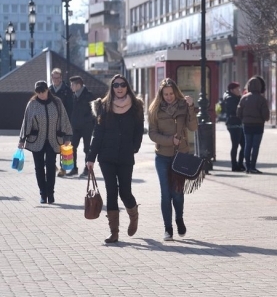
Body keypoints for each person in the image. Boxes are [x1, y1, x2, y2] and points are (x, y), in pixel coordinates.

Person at [86, 75, 144, 244]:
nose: (119, 88)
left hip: (125, 156)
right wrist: (91, 158)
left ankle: (133, 215)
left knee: (125, 192)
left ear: (127, 87)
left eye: (122, 85)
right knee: (111, 192)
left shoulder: (136, 107)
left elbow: (139, 130)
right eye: (116, 85)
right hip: (106, 157)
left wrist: (135, 147)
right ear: (112, 88)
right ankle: (114, 232)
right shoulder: (104, 106)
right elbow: (98, 133)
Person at [147, 78, 198, 241]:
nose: (169, 97)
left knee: (177, 192)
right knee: (165, 193)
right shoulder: (154, 109)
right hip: (162, 156)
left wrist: (191, 108)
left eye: (171, 93)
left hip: (180, 155)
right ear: (161, 94)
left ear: (176, 92)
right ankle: (168, 228)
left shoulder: (184, 106)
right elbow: (152, 134)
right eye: (165, 94)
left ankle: (179, 219)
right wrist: (170, 140)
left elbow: (193, 127)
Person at [18, 81, 72, 204]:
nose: (41, 94)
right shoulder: (32, 104)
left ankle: (50, 193)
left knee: (51, 166)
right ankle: (43, 193)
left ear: (47, 89)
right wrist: (22, 139)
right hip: (36, 140)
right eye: (38, 92)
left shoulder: (57, 102)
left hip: (53, 140)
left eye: (43, 91)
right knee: (39, 167)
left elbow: (64, 118)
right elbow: (26, 121)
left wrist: (67, 136)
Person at [236, 76, 270, 174]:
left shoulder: (244, 98)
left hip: (247, 125)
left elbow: (238, 112)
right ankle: (253, 166)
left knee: (247, 145)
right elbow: (265, 114)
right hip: (258, 125)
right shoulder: (261, 99)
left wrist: (244, 119)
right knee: (255, 146)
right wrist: (264, 119)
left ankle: (247, 167)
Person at [69, 76, 96, 178]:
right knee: (72, 147)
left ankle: (87, 169)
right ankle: (74, 168)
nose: (71, 86)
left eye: (72, 84)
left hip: (87, 127)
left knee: (87, 148)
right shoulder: (73, 96)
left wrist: (87, 121)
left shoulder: (89, 96)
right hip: (75, 127)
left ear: (78, 85)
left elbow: (95, 112)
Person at [50, 68, 74, 178]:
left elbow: (70, 107)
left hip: (63, 122)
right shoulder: (49, 90)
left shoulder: (67, 90)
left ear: (61, 78)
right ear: (52, 78)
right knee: (51, 145)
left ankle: (63, 169)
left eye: (58, 78)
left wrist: (67, 122)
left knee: (63, 146)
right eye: (54, 78)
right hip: (51, 123)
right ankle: (52, 165)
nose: (56, 80)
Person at [222, 81, 246, 171]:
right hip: (233, 124)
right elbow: (236, 110)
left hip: (238, 123)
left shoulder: (236, 97)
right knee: (235, 145)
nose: (239, 90)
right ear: (232, 90)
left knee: (244, 144)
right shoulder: (230, 99)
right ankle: (234, 165)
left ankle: (240, 164)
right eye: (237, 89)